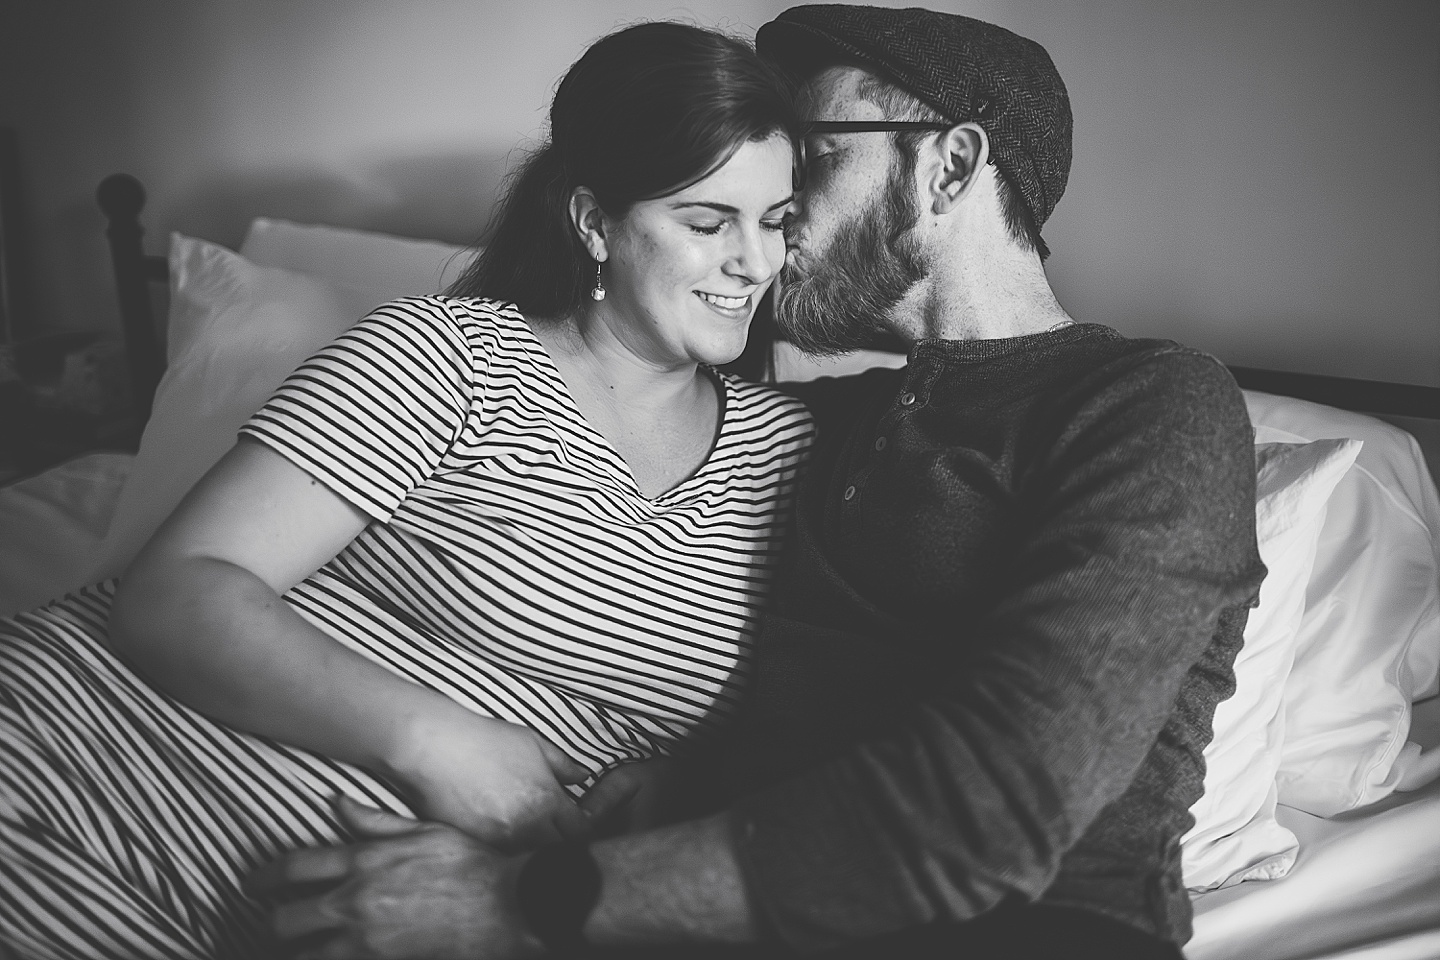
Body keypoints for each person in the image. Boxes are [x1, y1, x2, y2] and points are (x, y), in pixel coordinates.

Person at [244, 6, 1268, 960]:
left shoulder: (1152, 403)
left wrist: (519, 900)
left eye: (811, 161)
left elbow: (990, 815)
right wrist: (695, 781)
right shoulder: (808, 426)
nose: (773, 222)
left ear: (950, 167)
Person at [0, 22, 815, 958]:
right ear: (594, 222)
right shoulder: (451, 354)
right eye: (707, 224)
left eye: (778, 220)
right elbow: (178, 587)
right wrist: (444, 746)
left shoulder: (802, 453)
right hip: (67, 760)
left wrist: (687, 787)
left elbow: (839, 720)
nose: (756, 262)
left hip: (361, 910)